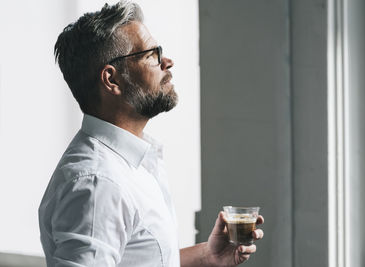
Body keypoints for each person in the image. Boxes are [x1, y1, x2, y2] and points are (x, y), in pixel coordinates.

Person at [38, 1, 264, 266]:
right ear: (112, 80)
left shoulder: (128, 163)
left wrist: (207, 256)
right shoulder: (99, 184)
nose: (167, 61)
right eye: (151, 54)